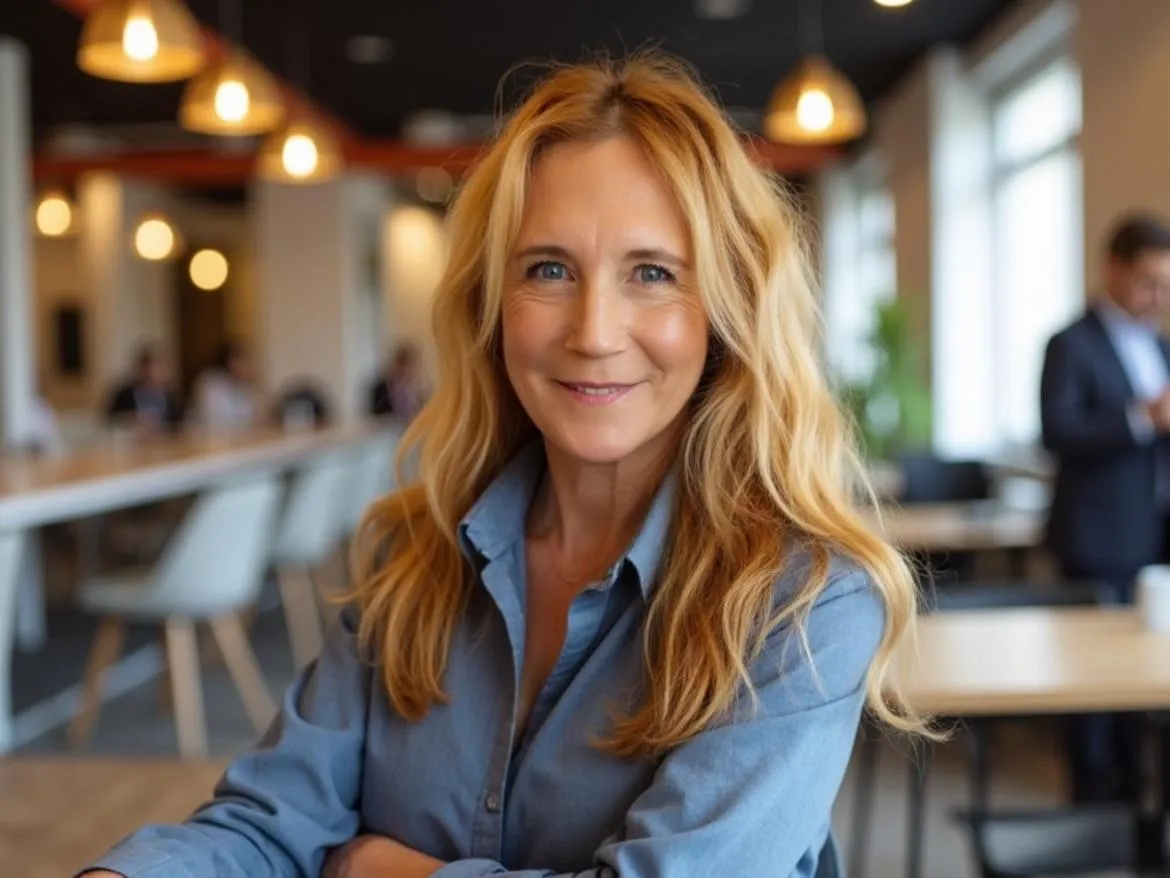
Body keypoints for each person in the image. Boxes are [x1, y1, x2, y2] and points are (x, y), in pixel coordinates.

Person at [84, 53, 922, 878]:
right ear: (492, 305)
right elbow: (269, 829)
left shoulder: (800, 606)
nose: (593, 331)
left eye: (653, 274)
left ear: (727, 312)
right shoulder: (412, 556)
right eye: (548, 270)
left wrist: (383, 871)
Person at [1040, 212, 1170, 802]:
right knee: (1092, 684)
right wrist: (1141, 418)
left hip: (1155, 535)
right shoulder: (1070, 344)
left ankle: (1138, 799)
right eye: (1149, 282)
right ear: (1112, 268)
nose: (1158, 296)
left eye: (1167, 285)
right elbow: (1058, 433)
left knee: (1148, 677)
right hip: (1097, 538)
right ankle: (1094, 800)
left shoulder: (1161, 345)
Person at [104, 344, 182, 434]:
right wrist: (129, 418)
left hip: (164, 444)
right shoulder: (124, 395)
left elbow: (178, 425)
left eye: (157, 368)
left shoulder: (170, 397)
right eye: (148, 368)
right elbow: (108, 421)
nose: (152, 373)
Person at [189, 341, 258, 432]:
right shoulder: (210, 382)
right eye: (241, 360)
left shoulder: (243, 386)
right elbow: (220, 421)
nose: (247, 365)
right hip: (211, 439)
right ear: (228, 362)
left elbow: (253, 417)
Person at [368, 342, 427, 421]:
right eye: (404, 366)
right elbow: (376, 418)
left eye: (410, 367)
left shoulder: (417, 390)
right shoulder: (380, 388)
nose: (407, 371)